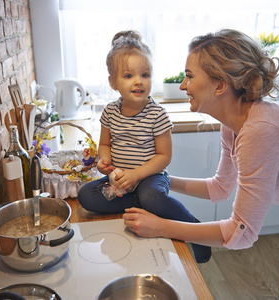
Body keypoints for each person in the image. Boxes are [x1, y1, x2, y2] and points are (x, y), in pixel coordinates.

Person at [122, 29, 279, 299]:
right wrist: (162, 180)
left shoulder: (260, 132)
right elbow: (220, 188)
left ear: (220, 86)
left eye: (190, 76)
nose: (183, 85)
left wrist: (160, 227)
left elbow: (240, 233)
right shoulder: (234, 123)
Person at [78, 30, 211, 263]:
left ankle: (194, 229)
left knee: (152, 195)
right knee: (86, 196)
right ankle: (141, 202)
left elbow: (164, 156)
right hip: (120, 180)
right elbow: (104, 144)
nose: (139, 81)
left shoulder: (157, 113)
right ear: (113, 82)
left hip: (150, 177)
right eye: (128, 75)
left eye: (145, 74)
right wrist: (104, 162)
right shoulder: (109, 112)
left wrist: (136, 175)